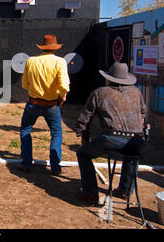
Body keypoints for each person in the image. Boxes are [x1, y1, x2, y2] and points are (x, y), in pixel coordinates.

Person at [76, 62, 147, 204]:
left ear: (109, 78)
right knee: (132, 156)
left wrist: (84, 136)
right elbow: (143, 114)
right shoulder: (136, 91)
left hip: (112, 139)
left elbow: (85, 117)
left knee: (83, 154)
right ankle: (125, 191)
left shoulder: (100, 92)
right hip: (138, 140)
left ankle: (90, 193)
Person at [19, 34, 70, 176]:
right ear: (55, 47)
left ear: (42, 47)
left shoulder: (31, 61)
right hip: (52, 105)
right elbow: (64, 85)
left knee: (25, 131)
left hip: (33, 103)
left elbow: (24, 84)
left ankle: (26, 163)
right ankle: (55, 167)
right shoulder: (60, 62)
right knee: (56, 133)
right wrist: (63, 95)